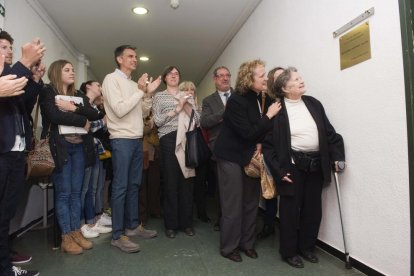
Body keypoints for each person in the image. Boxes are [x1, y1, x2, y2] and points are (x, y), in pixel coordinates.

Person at [262, 67, 345, 268]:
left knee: (313, 209)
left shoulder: (313, 103)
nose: (301, 81)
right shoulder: (277, 111)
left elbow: (329, 133)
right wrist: (280, 172)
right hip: (292, 168)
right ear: (284, 87)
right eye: (296, 79)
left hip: (316, 165)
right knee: (290, 211)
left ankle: (307, 247)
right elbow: (268, 147)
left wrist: (338, 156)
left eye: (300, 77)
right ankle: (289, 252)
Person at [213, 60, 281, 262]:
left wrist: (260, 142)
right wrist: (268, 116)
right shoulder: (235, 101)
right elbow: (247, 131)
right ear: (249, 78)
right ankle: (229, 247)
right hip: (230, 157)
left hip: (250, 156)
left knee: (251, 203)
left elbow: (259, 130)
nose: (266, 78)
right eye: (262, 75)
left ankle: (247, 243)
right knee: (233, 204)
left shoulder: (261, 98)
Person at [102, 45, 161, 253]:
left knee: (134, 184)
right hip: (121, 140)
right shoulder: (111, 79)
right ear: (119, 59)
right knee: (120, 187)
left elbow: (142, 112)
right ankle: (117, 235)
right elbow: (119, 110)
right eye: (130, 56)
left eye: (136, 56)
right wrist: (139, 91)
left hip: (136, 140)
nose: (135, 59)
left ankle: (133, 226)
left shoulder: (131, 84)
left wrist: (148, 94)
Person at [0, 32, 45, 276]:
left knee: (6, 213)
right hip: (3, 154)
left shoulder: (10, 77)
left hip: (16, 154)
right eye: (2, 47)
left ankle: (5, 265)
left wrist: (35, 80)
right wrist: (26, 63)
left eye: (10, 47)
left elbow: (24, 105)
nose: (8, 51)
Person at [152, 66, 199, 238]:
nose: (174, 76)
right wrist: (177, 109)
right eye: (170, 74)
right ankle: (171, 225)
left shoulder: (187, 95)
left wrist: (186, 104)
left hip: (187, 140)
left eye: (177, 74)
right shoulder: (159, 96)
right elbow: (157, 121)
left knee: (187, 182)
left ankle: (186, 224)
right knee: (171, 182)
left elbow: (198, 120)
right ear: (165, 78)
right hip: (168, 140)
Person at [200, 66, 233, 231]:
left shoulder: (240, 97)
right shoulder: (208, 101)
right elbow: (204, 122)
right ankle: (222, 220)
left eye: (227, 75)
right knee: (223, 187)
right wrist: (223, 113)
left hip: (241, 148)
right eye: (221, 76)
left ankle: (239, 221)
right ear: (215, 79)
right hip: (219, 149)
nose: (225, 78)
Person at [78, 81, 112, 239]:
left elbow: (100, 129)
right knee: (85, 190)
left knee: (94, 188)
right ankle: (83, 223)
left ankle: (93, 219)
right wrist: (103, 121)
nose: (100, 87)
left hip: (97, 149)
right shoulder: (82, 104)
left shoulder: (94, 108)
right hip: (85, 150)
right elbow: (87, 126)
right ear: (88, 87)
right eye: (97, 84)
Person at [257, 66, 284, 240]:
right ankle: (268, 225)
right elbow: (262, 123)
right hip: (270, 148)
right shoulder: (265, 98)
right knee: (270, 188)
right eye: (278, 76)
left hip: (287, 150)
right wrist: (260, 143)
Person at [178, 81, 210, 223]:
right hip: (182, 149)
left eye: (192, 90)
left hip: (199, 149)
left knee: (201, 183)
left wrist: (190, 106)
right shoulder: (176, 107)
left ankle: (202, 212)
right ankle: (185, 215)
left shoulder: (201, 107)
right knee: (185, 183)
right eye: (186, 89)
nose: (190, 92)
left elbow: (200, 123)